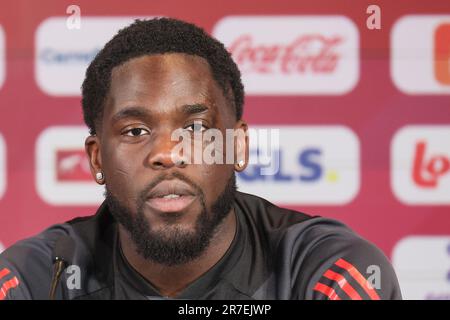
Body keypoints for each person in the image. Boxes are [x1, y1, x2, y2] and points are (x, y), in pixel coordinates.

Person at [0, 17, 402, 300]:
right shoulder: (34, 280)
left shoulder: (326, 273)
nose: (167, 154)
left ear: (238, 146)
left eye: (195, 129)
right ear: (97, 158)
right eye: (135, 131)